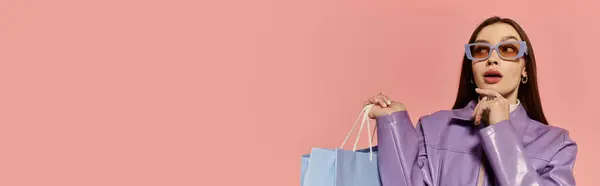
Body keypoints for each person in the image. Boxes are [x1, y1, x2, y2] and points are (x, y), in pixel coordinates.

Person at [366, 16, 577, 186]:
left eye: (507, 49)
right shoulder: (433, 128)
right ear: (471, 68)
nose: (492, 59)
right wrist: (392, 123)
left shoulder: (556, 145)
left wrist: (500, 130)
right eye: (481, 50)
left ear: (524, 69)